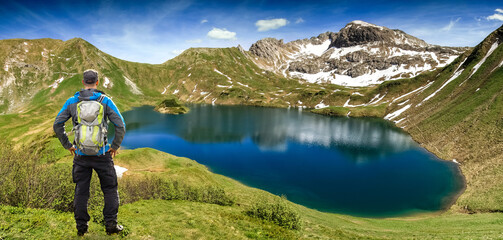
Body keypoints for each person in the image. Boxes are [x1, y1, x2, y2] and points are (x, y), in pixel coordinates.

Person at [53, 69, 126, 236]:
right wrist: (114, 146)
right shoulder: (105, 101)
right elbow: (120, 125)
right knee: (109, 189)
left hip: (80, 156)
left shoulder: (72, 101)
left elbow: (57, 125)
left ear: (83, 82)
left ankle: (81, 228)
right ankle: (111, 225)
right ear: (97, 82)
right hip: (102, 155)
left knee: (81, 191)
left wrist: (68, 145)